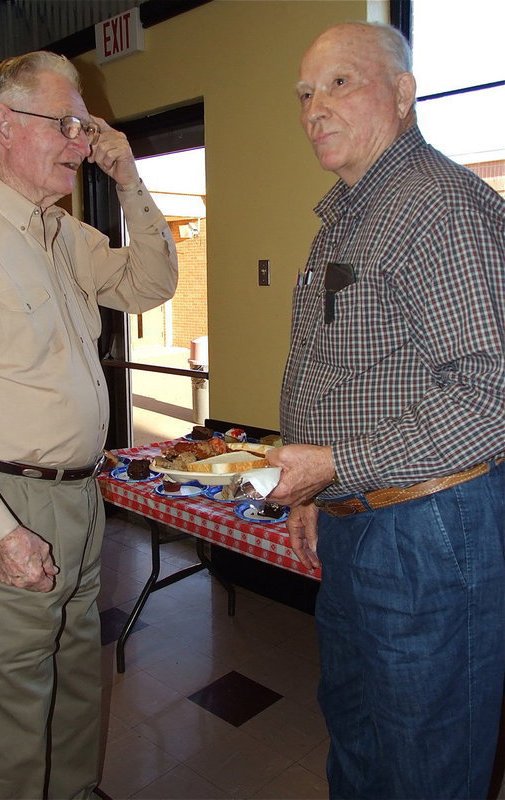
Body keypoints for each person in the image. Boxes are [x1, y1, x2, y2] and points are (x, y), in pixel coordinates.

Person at [0, 51, 177, 799]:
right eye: (66, 124)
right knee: (6, 702)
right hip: (1, 502)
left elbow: (153, 282)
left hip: (78, 497)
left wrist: (127, 176)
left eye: (84, 126)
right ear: (4, 125)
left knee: (70, 680)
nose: (79, 142)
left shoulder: (63, 235)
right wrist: (2, 532)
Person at [266, 21, 504, 800]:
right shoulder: (351, 213)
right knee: (360, 734)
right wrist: (317, 486)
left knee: (426, 763)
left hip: (427, 536)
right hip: (358, 520)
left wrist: (334, 465)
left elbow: (490, 394)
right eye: (304, 93)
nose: (313, 109)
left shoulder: (435, 205)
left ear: (402, 95)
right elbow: (338, 366)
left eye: (339, 83)